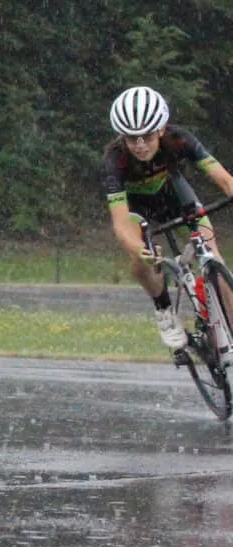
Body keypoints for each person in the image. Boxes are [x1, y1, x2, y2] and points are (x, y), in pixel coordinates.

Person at [102, 85, 233, 350]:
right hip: (138, 211)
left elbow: (224, 179)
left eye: (147, 136)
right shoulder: (113, 161)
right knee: (140, 264)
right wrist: (140, 249)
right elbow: (121, 224)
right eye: (131, 138)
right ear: (121, 136)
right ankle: (163, 309)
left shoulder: (179, 139)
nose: (139, 145)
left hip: (175, 195)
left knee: (215, 261)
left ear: (161, 129)